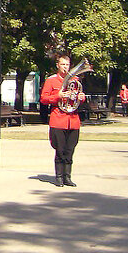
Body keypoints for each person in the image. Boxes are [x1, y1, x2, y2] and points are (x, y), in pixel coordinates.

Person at [40, 52, 82, 188]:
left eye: (67, 65)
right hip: (58, 119)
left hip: (73, 120)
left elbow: (78, 96)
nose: (65, 67)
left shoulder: (75, 80)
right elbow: (43, 99)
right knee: (60, 150)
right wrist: (57, 96)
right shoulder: (51, 81)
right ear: (58, 65)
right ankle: (58, 177)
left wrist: (82, 97)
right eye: (63, 64)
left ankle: (67, 177)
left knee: (70, 150)